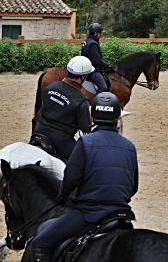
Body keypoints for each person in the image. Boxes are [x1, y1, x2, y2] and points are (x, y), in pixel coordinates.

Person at [31, 92, 138, 262]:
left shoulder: (85, 143)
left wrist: (62, 197)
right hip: (122, 215)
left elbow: (70, 179)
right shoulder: (129, 147)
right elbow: (133, 187)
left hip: (89, 214)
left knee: (40, 242)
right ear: (118, 116)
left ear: (93, 117)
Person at [33, 56, 94, 161]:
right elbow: (85, 128)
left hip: (38, 131)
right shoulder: (81, 100)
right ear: (83, 77)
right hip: (60, 141)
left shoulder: (50, 87)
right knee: (84, 160)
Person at [81, 22, 112, 93]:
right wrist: (107, 65)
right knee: (104, 87)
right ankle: (97, 103)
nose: (100, 35)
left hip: (85, 66)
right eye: (99, 33)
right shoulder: (93, 44)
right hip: (92, 70)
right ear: (95, 33)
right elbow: (97, 60)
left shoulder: (86, 41)